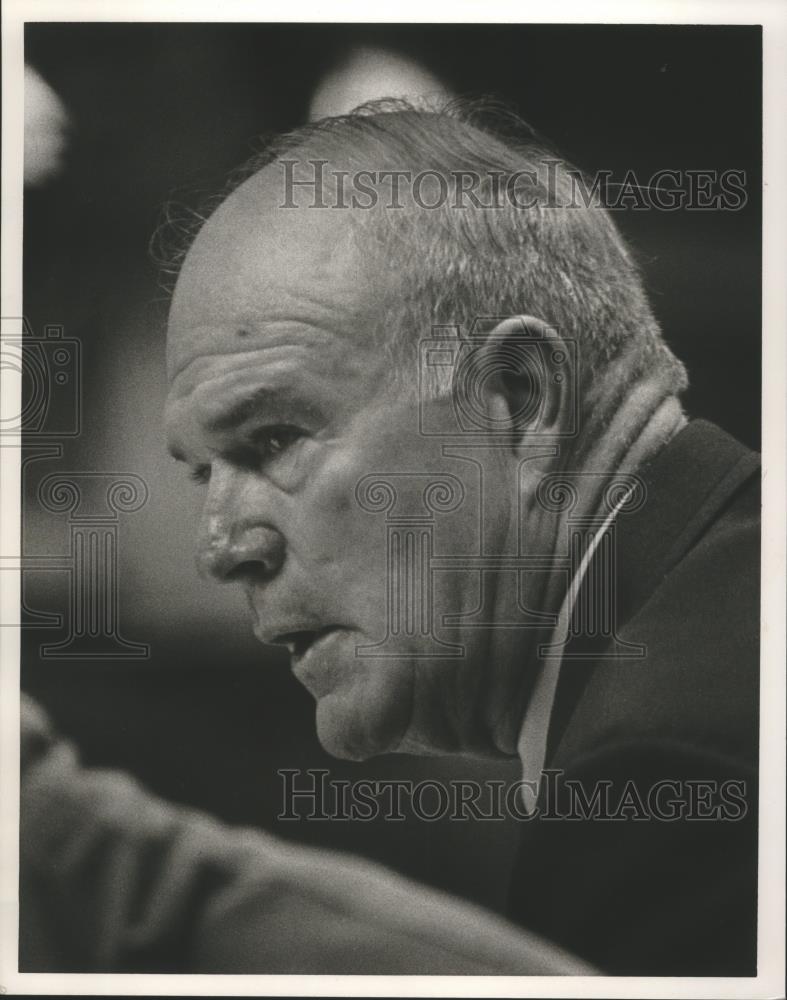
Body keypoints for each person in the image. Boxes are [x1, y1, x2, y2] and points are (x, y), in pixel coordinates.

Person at [22, 99, 759, 974]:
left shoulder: (666, 769)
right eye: (198, 473)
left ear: (519, 399)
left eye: (273, 439)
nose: (220, 550)